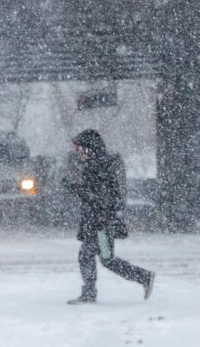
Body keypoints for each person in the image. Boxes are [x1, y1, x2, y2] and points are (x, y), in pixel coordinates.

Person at [64, 129, 155, 305]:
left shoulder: (97, 166)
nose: (79, 152)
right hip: (100, 222)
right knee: (107, 259)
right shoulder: (100, 164)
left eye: (81, 148)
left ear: (90, 147)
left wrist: (76, 189)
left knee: (87, 255)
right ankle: (144, 277)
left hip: (100, 224)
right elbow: (102, 195)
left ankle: (90, 293)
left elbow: (99, 197)